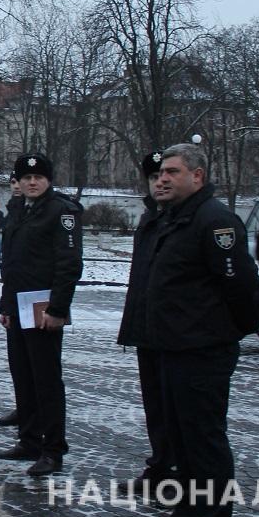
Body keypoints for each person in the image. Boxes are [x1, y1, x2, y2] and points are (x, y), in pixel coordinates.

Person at [143, 143, 259, 517]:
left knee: (204, 441)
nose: (163, 178)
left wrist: (223, 333)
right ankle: (188, 516)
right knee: (180, 439)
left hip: (201, 351)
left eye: (172, 172)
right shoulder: (175, 218)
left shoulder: (215, 221)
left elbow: (242, 287)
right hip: (172, 347)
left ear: (197, 176)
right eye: (160, 172)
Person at [0, 153, 83, 477]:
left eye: (39, 177)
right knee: (23, 376)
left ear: (48, 180)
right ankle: (29, 440)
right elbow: (11, 264)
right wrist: (6, 307)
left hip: (43, 307)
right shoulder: (19, 209)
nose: (33, 182)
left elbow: (69, 264)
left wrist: (58, 309)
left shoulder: (61, 211)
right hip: (19, 307)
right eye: (26, 177)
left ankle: (53, 450)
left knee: (46, 381)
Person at [116, 151, 176, 496]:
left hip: (175, 334)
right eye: (153, 178)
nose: (159, 183)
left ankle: (177, 474)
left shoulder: (185, 219)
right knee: (155, 404)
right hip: (148, 328)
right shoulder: (152, 217)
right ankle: (160, 467)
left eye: (164, 176)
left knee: (176, 411)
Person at [0, 176, 26, 428]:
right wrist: (5, 305)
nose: (18, 185)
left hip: (38, 299)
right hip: (15, 297)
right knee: (18, 363)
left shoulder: (42, 211)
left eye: (26, 179)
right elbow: (10, 263)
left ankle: (40, 423)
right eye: (15, 181)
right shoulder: (13, 211)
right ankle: (24, 406)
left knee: (39, 368)